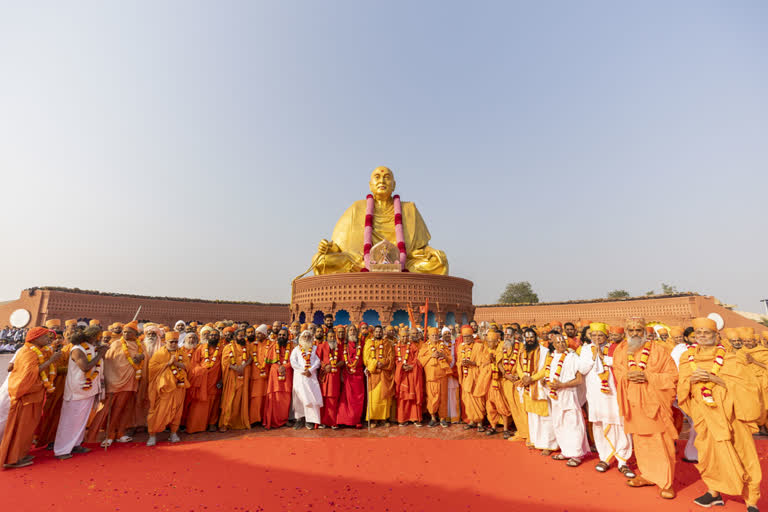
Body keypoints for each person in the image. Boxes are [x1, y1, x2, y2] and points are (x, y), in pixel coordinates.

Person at [678, 318, 763, 511]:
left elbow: (749, 387)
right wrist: (691, 380)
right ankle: (713, 492)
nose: (702, 336)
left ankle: (751, 500)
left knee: (743, 454)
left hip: (732, 416)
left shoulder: (732, 358)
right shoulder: (686, 358)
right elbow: (682, 386)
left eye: (706, 333)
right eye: (698, 333)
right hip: (703, 415)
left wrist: (715, 379)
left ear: (716, 335)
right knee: (709, 455)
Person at [613, 318, 678, 499]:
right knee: (641, 442)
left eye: (638, 330)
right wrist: (628, 375)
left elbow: (672, 375)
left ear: (644, 332)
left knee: (660, 442)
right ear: (627, 332)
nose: (635, 333)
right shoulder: (621, 350)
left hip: (654, 403)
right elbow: (618, 371)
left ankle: (666, 482)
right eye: (631, 330)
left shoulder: (659, 351)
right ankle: (648, 475)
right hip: (633, 402)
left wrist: (648, 376)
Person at [577, 322, 635, 477]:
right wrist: (593, 357)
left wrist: (605, 358)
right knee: (598, 424)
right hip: (595, 394)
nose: (597, 338)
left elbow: (622, 366)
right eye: (593, 335)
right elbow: (582, 369)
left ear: (606, 336)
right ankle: (605, 458)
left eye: (600, 335)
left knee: (619, 423)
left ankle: (623, 460)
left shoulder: (615, 348)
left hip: (613, 393)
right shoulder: (585, 349)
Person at [1, 327, 62, 469]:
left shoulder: (39, 351)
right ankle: (12, 458)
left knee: (28, 429)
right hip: (26, 396)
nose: (48, 340)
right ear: (35, 338)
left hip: (35, 394)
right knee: (21, 429)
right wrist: (51, 360)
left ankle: (21, 454)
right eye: (45, 337)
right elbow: (30, 374)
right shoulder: (27, 352)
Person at [87, 320, 145, 447]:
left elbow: (143, 362)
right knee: (107, 409)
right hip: (114, 381)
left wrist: (142, 357)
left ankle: (120, 433)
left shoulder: (140, 345)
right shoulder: (116, 344)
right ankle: (103, 435)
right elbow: (108, 361)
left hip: (130, 381)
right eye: (124, 332)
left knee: (124, 408)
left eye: (129, 332)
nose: (125, 334)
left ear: (135, 333)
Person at [53, 327, 107, 459]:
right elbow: (85, 367)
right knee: (69, 422)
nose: (99, 339)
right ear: (92, 336)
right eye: (98, 336)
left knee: (81, 421)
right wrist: (100, 354)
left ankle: (76, 444)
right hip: (77, 391)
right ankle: (61, 450)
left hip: (89, 390)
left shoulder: (91, 347)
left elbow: (97, 367)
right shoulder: (77, 349)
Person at [146, 331, 191, 446]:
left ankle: (173, 433)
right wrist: (167, 364)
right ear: (166, 342)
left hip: (178, 387)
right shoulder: (159, 354)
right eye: (171, 342)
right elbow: (151, 369)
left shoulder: (182, 353)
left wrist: (175, 363)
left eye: (176, 342)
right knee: (158, 412)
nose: (174, 344)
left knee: (176, 410)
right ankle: (152, 435)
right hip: (163, 388)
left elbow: (187, 366)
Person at [518, 328, 557, 455]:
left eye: (531, 337)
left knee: (544, 417)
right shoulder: (522, 351)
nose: (529, 340)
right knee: (533, 417)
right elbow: (518, 366)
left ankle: (548, 445)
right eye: (527, 337)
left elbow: (546, 368)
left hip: (539, 388)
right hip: (527, 388)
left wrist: (532, 378)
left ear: (536, 337)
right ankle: (536, 441)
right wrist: (523, 378)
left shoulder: (545, 351)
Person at [185, 326, 223, 433]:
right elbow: (194, 363)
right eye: (212, 335)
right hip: (202, 380)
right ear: (208, 337)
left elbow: (225, 365)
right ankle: (196, 426)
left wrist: (222, 380)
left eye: (216, 335)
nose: (213, 337)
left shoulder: (222, 349)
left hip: (216, 380)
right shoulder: (201, 348)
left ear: (219, 337)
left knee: (214, 402)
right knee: (199, 404)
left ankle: (212, 423)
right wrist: (200, 371)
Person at [218, 327, 251, 432]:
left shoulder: (247, 346)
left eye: (243, 335)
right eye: (240, 335)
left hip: (243, 375)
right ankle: (225, 423)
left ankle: (239, 422)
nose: (242, 337)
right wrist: (236, 368)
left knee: (240, 399)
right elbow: (225, 361)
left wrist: (244, 365)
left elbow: (250, 357)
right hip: (232, 376)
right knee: (229, 400)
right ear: (235, 337)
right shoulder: (228, 347)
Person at [500, 327, 528, 441]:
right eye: (505, 335)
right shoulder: (501, 346)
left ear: (514, 335)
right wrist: (506, 374)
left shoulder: (521, 346)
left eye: (509, 335)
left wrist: (517, 375)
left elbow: (523, 362)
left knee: (522, 407)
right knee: (513, 407)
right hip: (507, 381)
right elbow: (499, 363)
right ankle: (521, 431)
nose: (507, 337)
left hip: (518, 381)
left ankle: (527, 432)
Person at [290, 330, 323, 429]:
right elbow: (293, 361)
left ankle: (310, 421)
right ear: (300, 338)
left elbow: (317, 361)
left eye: (308, 336)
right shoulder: (296, 349)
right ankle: (300, 419)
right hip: (299, 377)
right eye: (304, 336)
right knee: (299, 398)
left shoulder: (315, 348)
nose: (306, 338)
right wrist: (303, 370)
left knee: (312, 397)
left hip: (311, 377)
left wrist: (310, 370)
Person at [363, 325, 395, 427]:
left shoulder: (387, 343)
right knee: (374, 398)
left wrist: (383, 362)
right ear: (374, 333)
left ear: (383, 332)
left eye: (380, 332)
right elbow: (366, 358)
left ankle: (384, 419)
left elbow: (391, 357)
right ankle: (374, 419)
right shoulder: (368, 343)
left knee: (385, 397)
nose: (378, 333)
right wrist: (376, 363)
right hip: (374, 373)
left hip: (384, 373)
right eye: (376, 332)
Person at [457, 325, 487, 431]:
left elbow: (482, 362)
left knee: (477, 399)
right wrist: (461, 363)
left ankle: (479, 423)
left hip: (476, 377)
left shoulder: (479, 346)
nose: (467, 339)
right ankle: (472, 420)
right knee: (467, 399)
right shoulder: (460, 347)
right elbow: (458, 361)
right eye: (465, 337)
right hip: (466, 376)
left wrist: (472, 363)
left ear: (473, 337)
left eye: (469, 337)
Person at [263, 328, 293, 429]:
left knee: (286, 398)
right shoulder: (272, 346)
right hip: (274, 375)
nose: (281, 337)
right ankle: (273, 420)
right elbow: (269, 361)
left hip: (287, 374)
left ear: (287, 337)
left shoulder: (293, 347)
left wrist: (285, 367)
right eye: (280, 335)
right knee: (274, 397)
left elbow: (294, 360)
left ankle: (284, 420)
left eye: (284, 335)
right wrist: (278, 367)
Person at [482, 329, 510, 436]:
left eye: (492, 341)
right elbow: (482, 365)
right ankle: (493, 426)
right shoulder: (485, 351)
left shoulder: (501, 351)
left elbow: (504, 367)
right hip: (489, 384)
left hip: (499, 383)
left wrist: (495, 362)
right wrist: (488, 362)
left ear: (497, 341)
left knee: (502, 405)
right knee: (490, 406)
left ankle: (506, 429)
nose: (490, 343)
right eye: (488, 341)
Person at [337, 324, 366, 428]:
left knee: (358, 398)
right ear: (347, 333)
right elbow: (340, 359)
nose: (352, 332)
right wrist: (340, 373)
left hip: (358, 374)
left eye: (354, 330)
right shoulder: (343, 345)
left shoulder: (362, 344)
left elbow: (365, 357)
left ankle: (356, 420)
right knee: (346, 398)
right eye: (350, 330)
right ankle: (344, 420)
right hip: (347, 374)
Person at [317, 326, 345, 429]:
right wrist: (325, 366)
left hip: (335, 377)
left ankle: (333, 422)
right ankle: (323, 422)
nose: (332, 338)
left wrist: (335, 366)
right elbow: (317, 360)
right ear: (327, 337)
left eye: (333, 336)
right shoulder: (322, 346)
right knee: (323, 399)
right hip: (325, 376)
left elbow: (343, 361)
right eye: (330, 336)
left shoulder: (339, 347)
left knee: (333, 400)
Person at [395, 326, 423, 426]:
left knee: (413, 396)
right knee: (403, 397)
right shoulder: (396, 347)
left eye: (406, 336)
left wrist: (412, 366)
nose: (404, 339)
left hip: (412, 374)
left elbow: (418, 358)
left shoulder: (412, 346)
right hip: (402, 375)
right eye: (402, 337)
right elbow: (395, 360)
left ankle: (415, 418)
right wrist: (401, 366)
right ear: (399, 337)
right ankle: (403, 419)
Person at [248, 325, 271, 426]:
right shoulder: (252, 345)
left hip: (267, 375)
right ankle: (254, 419)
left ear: (265, 334)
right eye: (256, 333)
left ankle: (263, 418)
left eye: (259, 334)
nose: (257, 335)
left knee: (266, 398)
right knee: (255, 398)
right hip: (255, 376)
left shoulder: (271, 345)